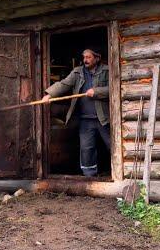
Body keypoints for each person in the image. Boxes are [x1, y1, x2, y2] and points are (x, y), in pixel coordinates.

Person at [42, 46, 110, 177]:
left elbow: (115, 87)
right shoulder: (77, 72)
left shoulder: (107, 71)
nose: (85, 60)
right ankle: (89, 175)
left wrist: (97, 91)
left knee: (111, 145)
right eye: (84, 57)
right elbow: (63, 84)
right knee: (86, 148)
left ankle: (119, 172)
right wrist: (49, 95)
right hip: (85, 119)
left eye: (89, 57)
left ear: (97, 58)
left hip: (104, 117)